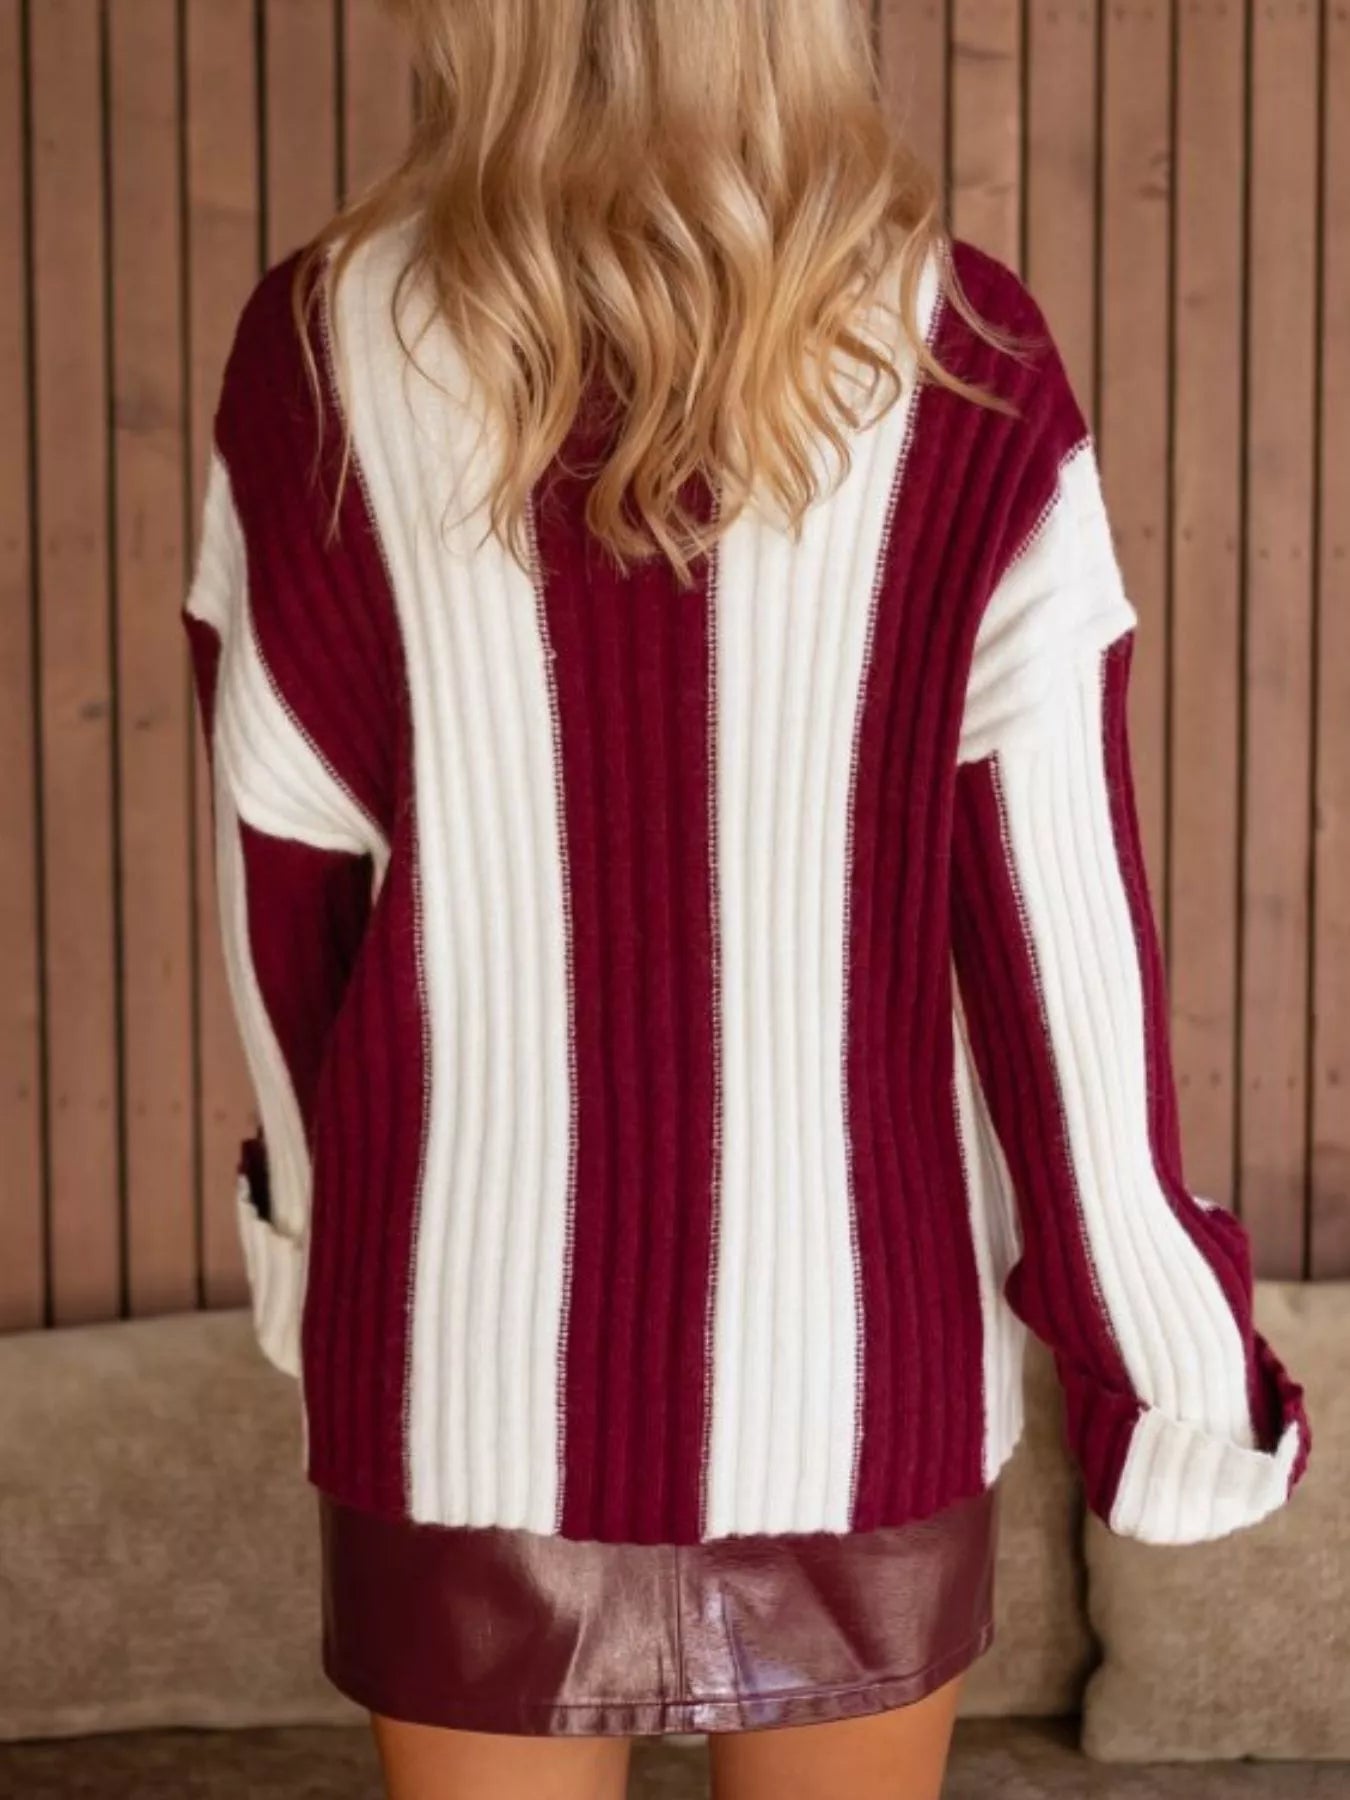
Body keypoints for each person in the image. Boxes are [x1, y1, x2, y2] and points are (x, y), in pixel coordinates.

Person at [181, 2, 1311, 1796]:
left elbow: (285, 891)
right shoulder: (967, 352)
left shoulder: (320, 346)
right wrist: (1170, 1364)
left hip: (456, 1346)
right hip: (864, 1364)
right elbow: (1060, 941)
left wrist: (322, 1267)